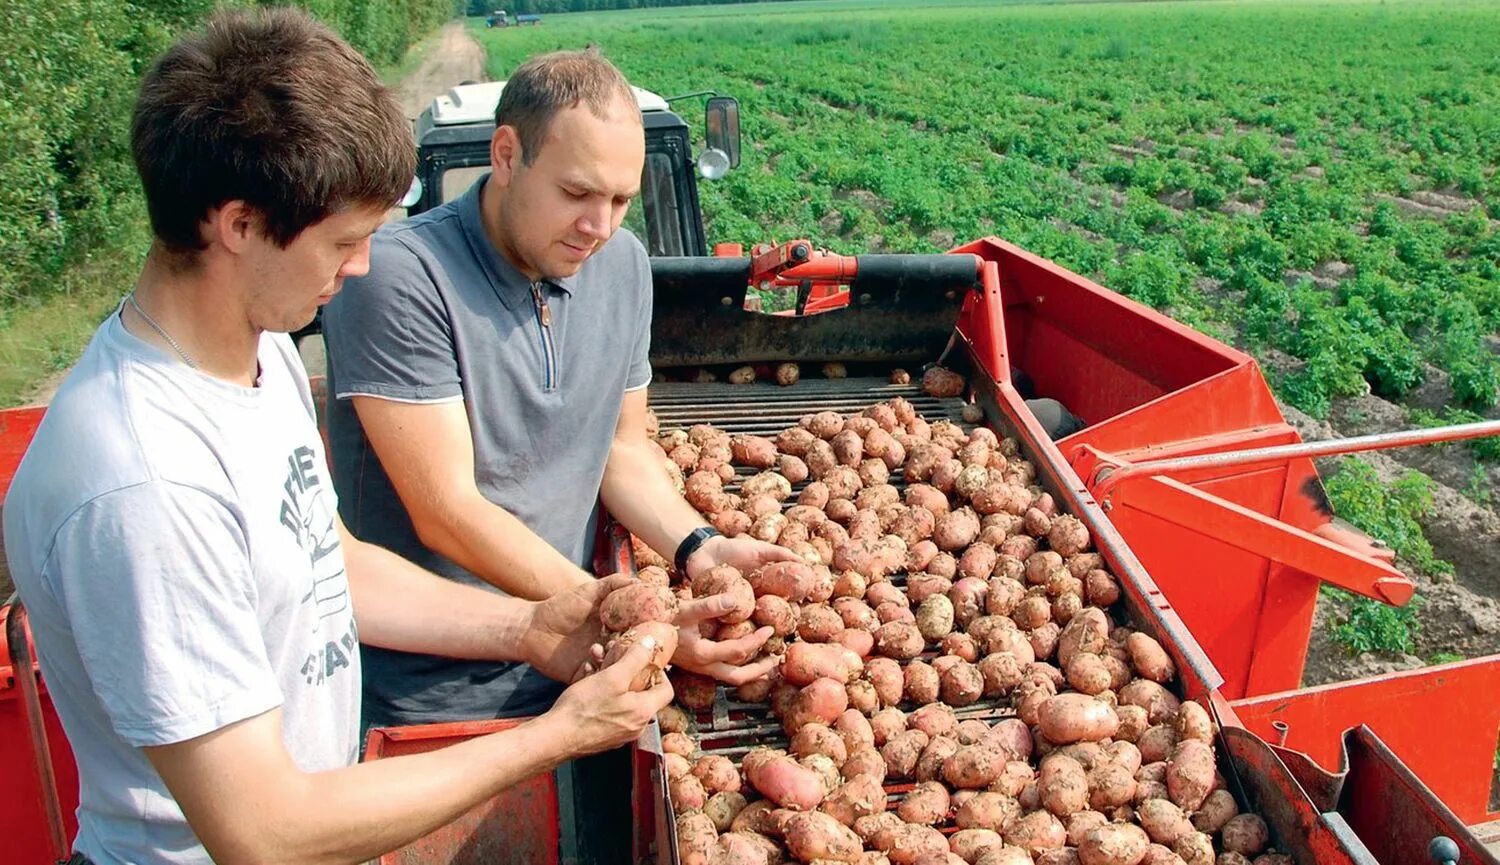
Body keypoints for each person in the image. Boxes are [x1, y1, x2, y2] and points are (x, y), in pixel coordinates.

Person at [2, 10, 683, 864]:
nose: (361, 267)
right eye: (345, 241)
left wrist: (531, 626)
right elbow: (264, 830)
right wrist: (553, 737)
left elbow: (334, 564)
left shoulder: (256, 362)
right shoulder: (147, 482)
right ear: (240, 225)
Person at [322, 49, 796, 729]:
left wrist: (699, 546)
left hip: (581, 660)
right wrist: (641, 618)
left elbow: (621, 449)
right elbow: (447, 509)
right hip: (435, 695)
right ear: (508, 154)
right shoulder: (402, 276)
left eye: (620, 200)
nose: (599, 227)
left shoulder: (624, 266)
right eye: (577, 194)